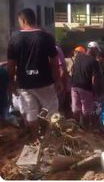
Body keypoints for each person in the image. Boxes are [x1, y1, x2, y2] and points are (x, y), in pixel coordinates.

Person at [7, 8, 62, 139]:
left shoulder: (14, 39)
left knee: (30, 113)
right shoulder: (46, 37)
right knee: (52, 111)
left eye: (19, 21)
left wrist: (11, 82)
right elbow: (54, 62)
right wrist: (58, 80)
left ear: (24, 20)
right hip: (45, 82)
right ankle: (51, 138)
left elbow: (11, 64)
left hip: (25, 84)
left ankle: (36, 139)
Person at [71, 41, 102, 130]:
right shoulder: (94, 62)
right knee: (86, 111)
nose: (97, 53)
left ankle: (75, 128)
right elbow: (94, 79)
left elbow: (73, 70)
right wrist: (95, 92)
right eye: (96, 51)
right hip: (86, 87)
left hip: (74, 86)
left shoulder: (78, 57)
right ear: (93, 50)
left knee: (75, 109)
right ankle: (86, 130)